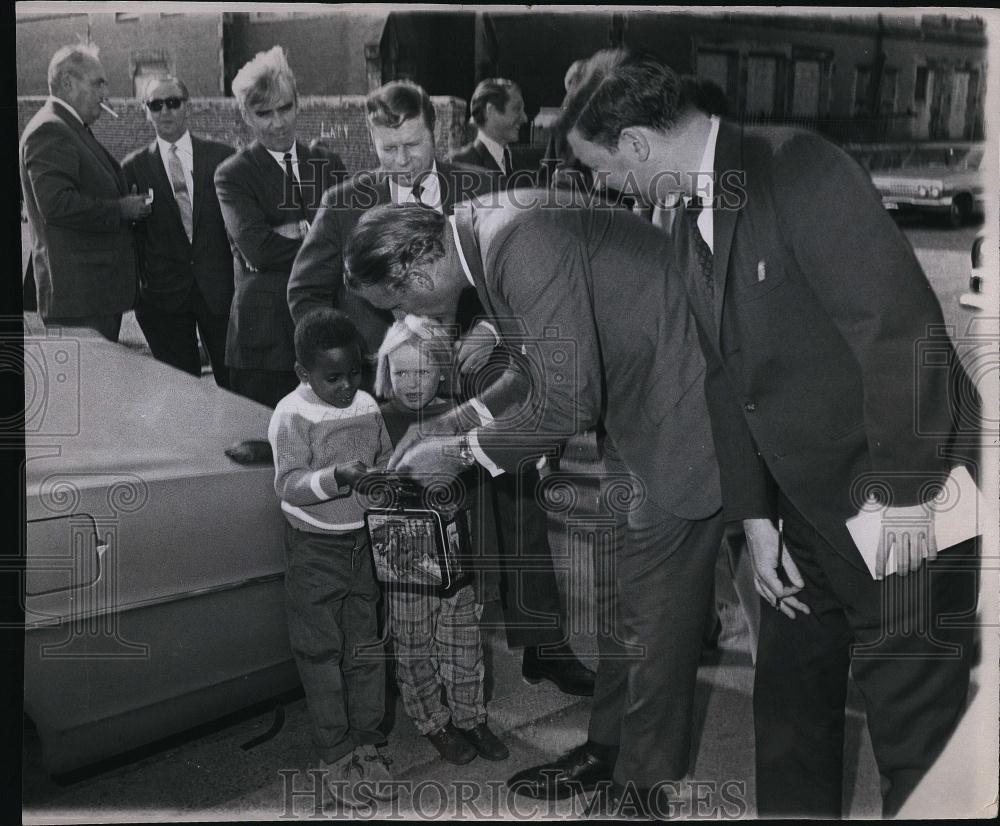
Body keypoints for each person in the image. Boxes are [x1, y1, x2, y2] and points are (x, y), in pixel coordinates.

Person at [559, 48, 981, 818]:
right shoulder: (684, 221)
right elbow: (727, 379)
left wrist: (906, 503)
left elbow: (902, 336)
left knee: (917, 741)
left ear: (638, 145)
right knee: (788, 715)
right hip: (802, 512)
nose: (605, 186)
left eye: (602, 169)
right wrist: (754, 517)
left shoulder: (797, 168)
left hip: (903, 492)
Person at [343, 197, 723, 816]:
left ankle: (642, 790)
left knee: (657, 618)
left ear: (415, 272)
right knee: (627, 604)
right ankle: (610, 750)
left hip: (684, 414)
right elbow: (535, 365)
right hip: (644, 408)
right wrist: (454, 420)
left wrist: (462, 453)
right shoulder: (486, 240)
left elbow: (569, 398)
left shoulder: (517, 241)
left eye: (397, 304)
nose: (406, 317)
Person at [288, 78, 595, 697]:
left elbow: (514, 278)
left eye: (413, 144)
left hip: (485, 374)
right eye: (388, 149)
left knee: (519, 498)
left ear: (437, 131)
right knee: (406, 515)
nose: (402, 160)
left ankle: (543, 642)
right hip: (391, 391)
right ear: (371, 142)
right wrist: (375, 352)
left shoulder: (478, 187)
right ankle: (414, 659)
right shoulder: (346, 203)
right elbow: (305, 294)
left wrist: (490, 326)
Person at [266, 307, 396, 809]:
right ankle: (336, 752)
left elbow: (383, 456)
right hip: (314, 548)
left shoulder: (365, 404)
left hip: (362, 543)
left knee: (365, 647)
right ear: (304, 372)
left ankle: (367, 741)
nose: (346, 387)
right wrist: (338, 476)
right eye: (333, 378)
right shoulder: (291, 414)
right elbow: (288, 484)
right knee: (320, 654)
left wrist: (387, 480)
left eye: (354, 373)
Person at [373, 316, 509, 766]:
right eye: (401, 372)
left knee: (463, 641)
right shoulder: (375, 419)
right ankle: (434, 721)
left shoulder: (459, 414)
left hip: (456, 556)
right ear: (385, 371)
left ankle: (471, 717)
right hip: (405, 560)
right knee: (413, 646)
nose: (412, 383)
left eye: (423, 371)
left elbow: (482, 479)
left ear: (443, 371)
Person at [215, 45, 347, 407]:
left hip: (325, 328)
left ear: (298, 104)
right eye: (264, 113)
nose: (278, 122)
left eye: (285, 108)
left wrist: (296, 231)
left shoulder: (327, 163)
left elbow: (354, 238)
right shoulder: (233, 174)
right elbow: (259, 249)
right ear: (246, 115)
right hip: (265, 337)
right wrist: (322, 237)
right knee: (262, 432)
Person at [19, 43, 150, 342]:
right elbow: (56, 204)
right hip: (79, 298)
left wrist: (120, 196)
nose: (105, 93)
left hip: (90, 294)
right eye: (98, 83)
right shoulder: (50, 130)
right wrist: (121, 208)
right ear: (68, 83)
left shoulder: (69, 127)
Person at [123, 76, 235, 386]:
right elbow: (131, 237)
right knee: (181, 392)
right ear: (146, 111)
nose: (165, 111)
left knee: (234, 385)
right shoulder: (133, 168)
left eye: (173, 102)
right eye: (156, 105)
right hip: (164, 299)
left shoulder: (222, 157)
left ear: (188, 106)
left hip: (219, 292)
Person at [448, 78, 528, 183]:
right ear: (491, 110)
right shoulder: (460, 163)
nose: (525, 118)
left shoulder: (518, 162)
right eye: (517, 109)